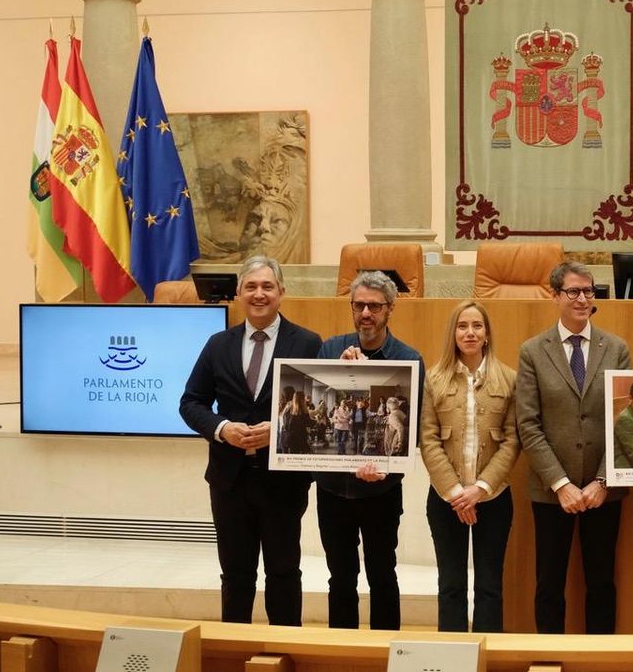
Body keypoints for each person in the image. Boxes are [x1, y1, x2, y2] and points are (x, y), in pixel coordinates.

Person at [179, 255, 322, 625]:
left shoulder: (307, 343)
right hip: (230, 481)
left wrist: (279, 430)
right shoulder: (217, 344)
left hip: (283, 481)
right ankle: (232, 651)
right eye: (251, 287)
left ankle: (287, 653)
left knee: (283, 574)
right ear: (239, 293)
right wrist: (222, 427)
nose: (259, 294)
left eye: (267, 286)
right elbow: (190, 403)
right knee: (236, 576)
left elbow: (321, 408)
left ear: (282, 292)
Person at [515, 261, 631, 634]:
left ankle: (600, 658)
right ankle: (550, 656)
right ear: (555, 296)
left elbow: (624, 421)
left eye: (589, 291)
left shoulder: (616, 348)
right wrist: (561, 484)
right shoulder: (533, 351)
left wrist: (602, 480)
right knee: (549, 584)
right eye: (574, 292)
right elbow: (528, 425)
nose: (583, 299)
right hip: (552, 492)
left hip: (603, 492)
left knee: (601, 583)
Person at [315, 271, 424, 630]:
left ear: (390, 309)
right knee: (340, 577)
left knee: (382, 574)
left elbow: (413, 430)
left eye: (374, 306)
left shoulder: (408, 358)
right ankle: (342, 653)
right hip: (333, 489)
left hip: (382, 489)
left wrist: (387, 469)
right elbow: (325, 410)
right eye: (359, 305)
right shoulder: (331, 350)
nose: (365, 313)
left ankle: (385, 652)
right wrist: (339, 373)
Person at [420, 300, 520, 633]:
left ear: (487, 334)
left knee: (490, 587)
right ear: (454, 334)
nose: (470, 332)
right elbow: (429, 440)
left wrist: (479, 489)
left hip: (493, 497)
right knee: (450, 585)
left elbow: (511, 441)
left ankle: (487, 658)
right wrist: (456, 493)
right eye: (463, 326)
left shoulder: (508, 379)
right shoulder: (434, 379)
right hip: (445, 499)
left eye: (477, 326)